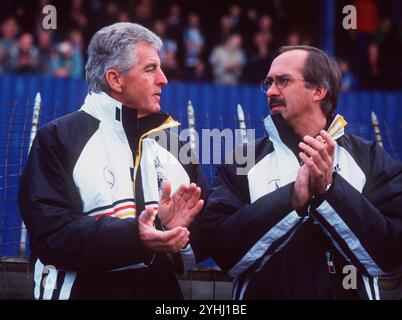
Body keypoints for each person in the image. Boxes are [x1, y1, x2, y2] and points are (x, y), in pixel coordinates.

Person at [18, 22, 208, 300]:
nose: (164, 79)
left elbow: (201, 244)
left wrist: (169, 232)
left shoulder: (178, 150)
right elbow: (51, 235)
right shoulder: (58, 138)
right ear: (115, 79)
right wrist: (139, 237)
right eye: (151, 68)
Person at [197, 45, 402, 299]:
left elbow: (389, 255)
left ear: (318, 90)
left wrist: (331, 190)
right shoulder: (243, 160)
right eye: (269, 82)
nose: (271, 91)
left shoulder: (369, 158)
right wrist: (290, 200)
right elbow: (222, 250)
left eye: (283, 81)